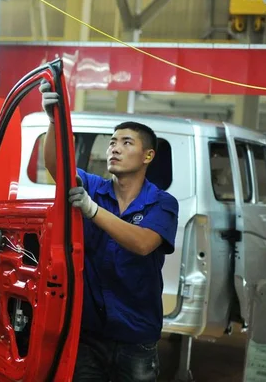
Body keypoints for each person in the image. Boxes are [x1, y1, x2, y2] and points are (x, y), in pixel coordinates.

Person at [40, 80, 179, 382]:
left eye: (126, 143)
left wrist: (92, 211)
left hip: (136, 337)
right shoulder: (93, 187)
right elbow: (55, 164)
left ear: (148, 156)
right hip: (88, 333)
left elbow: (142, 243)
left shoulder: (162, 203)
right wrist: (53, 121)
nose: (115, 148)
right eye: (113, 142)